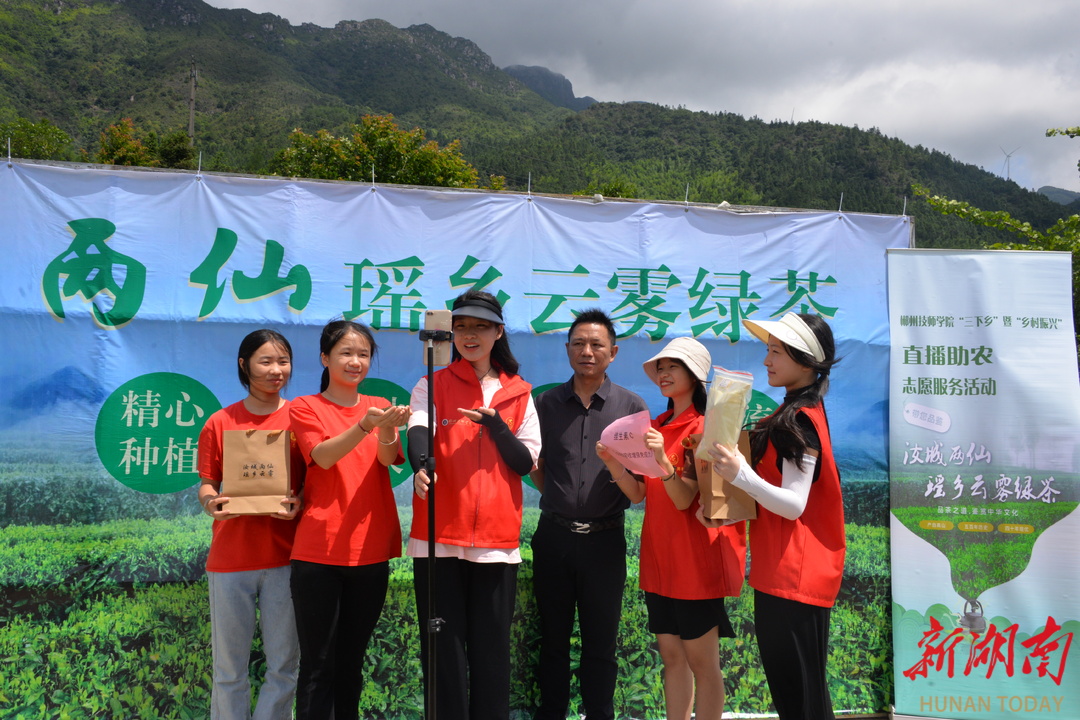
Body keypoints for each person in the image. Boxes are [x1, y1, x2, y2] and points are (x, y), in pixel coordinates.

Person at [406, 289, 540, 720]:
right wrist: (422, 465)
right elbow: (418, 431)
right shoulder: (432, 382)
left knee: (491, 653)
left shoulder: (519, 394)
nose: (470, 335)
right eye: (461, 326)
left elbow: (524, 461)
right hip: (438, 539)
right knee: (442, 653)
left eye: (480, 327)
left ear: (498, 333)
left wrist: (498, 426)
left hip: (496, 543)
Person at [598, 337, 745, 720]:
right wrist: (614, 463)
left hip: (694, 561)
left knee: (702, 663)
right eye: (660, 367)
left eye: (672, 367)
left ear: (694, 376)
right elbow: (637, 494)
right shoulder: (656, 425)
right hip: (660, 558)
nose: (663, 374)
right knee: (671, 657)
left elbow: (683, 500)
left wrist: (663, 460)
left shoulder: (705, 428)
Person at [705, 312, 843, 720]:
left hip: (794, 576)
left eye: (776, 352)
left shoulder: (799, 421)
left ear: (805, 361)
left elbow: (794, 503)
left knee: (800, 699)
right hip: (784, 572)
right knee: (798, 697)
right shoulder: (796, 414)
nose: (767, 360)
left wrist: (741, 475)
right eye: (767, 350)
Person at [287, 320, 410, 720]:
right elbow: (322, 456)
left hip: (370, 550)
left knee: (352, 661)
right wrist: (366, 424)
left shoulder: (376, 404)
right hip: (319, 552)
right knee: (318, 664)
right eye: (345, 353)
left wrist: (388, 429)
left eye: (363, 354)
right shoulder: (305, 407)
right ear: (325, 358)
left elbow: (388, 459)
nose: (355, 361)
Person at [530, 308, 649, 720]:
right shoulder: (545, 404)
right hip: (554, 539)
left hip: (605, 542)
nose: (587, 351)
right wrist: (563, 501)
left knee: (601, 642)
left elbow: (638, 486)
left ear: (613, 352)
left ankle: (599, 714)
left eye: (596, 344)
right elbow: (537, 465)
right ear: (567, 350)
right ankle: (552, 713)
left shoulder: (631, 406)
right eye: (579, 343)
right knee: (553, 641)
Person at [197, 328, 303, 720]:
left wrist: (299, 502)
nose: (277, 370)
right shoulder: (220, 421)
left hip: (286, 556)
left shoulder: (300, 417)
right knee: (229, 669)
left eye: (283, 361)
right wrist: (212, 503)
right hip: (230, 559)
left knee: (284, 666)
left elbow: (312, 483)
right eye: (266, 361)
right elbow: (207, 482)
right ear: (244, 365)